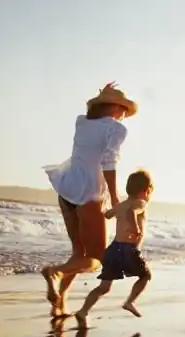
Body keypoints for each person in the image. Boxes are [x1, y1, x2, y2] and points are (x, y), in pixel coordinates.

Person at [40, 82, 138, 318]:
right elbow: (109, 161)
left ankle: (59, 304)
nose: (124, 114)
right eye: (122, 108)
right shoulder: (116, 130)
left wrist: (102, 95)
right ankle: (55, 272)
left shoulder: (81, 122)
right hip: (89, 193)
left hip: (67, 188)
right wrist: (115, 197)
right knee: (96, 259)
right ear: (114, 106)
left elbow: (94, 140)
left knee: (79, 254)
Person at [74, 170, 153, 329]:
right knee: (146, 275)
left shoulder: (121, 205)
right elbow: (132, 212)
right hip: (127, 249)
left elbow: (108, 214)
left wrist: (110, 209)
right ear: (146, 190)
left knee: (104, 287)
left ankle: (83, 311)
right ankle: (129, 302)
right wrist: (136, 228)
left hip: (113, 249)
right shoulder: (140, 203)